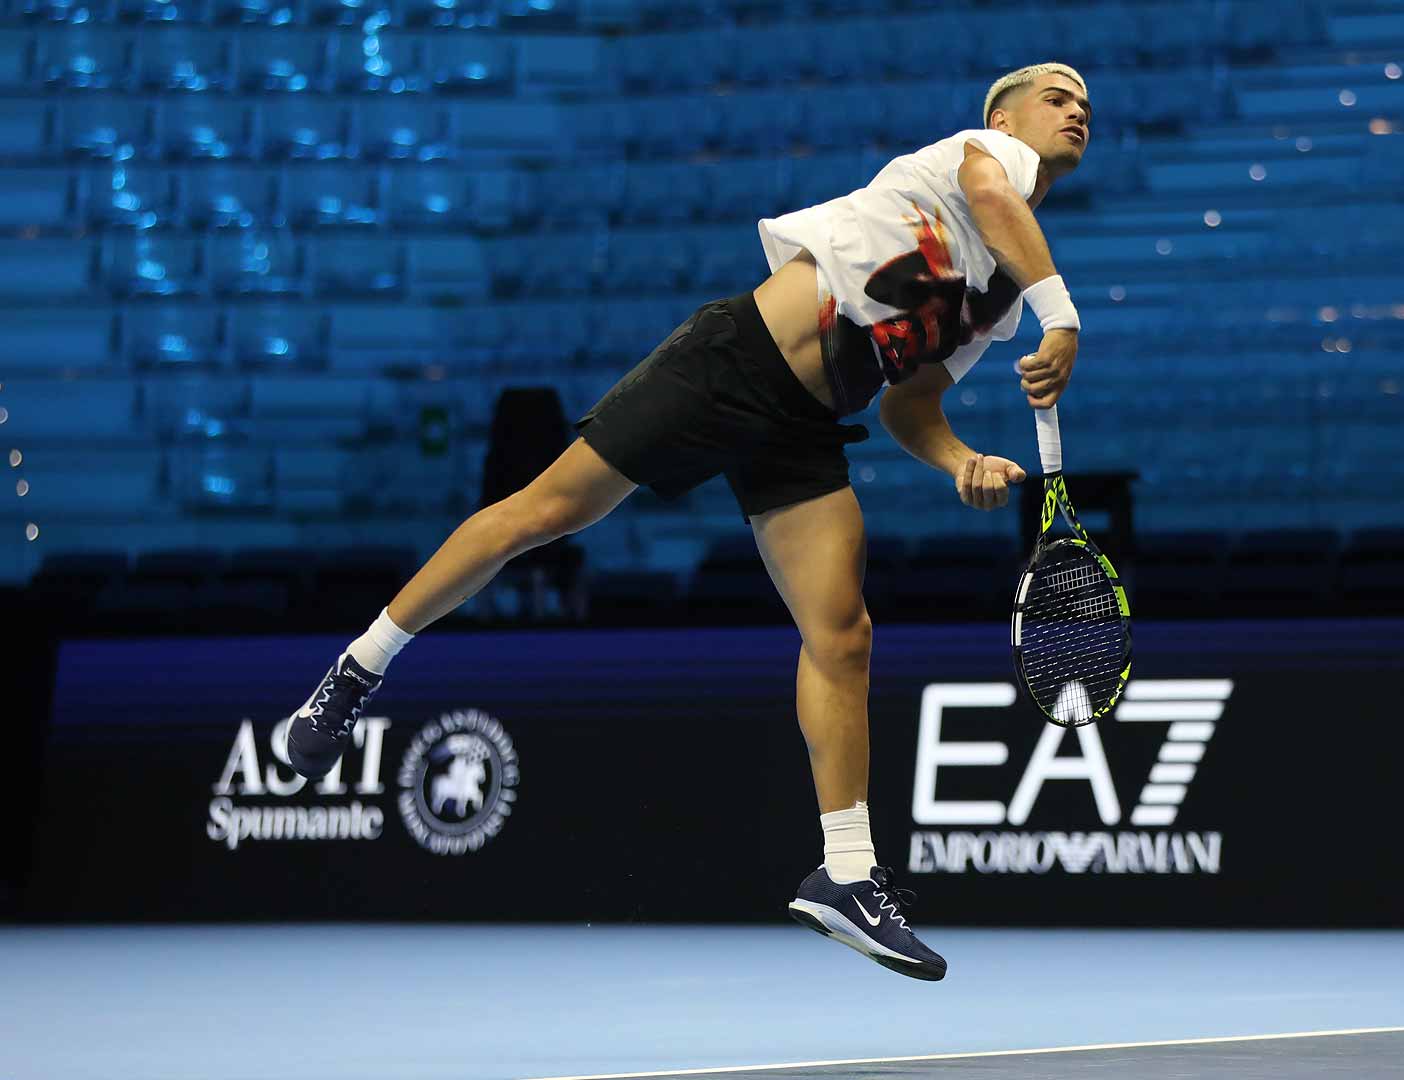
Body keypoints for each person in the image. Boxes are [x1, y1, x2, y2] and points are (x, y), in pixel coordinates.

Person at [282, 62, 1092, 982]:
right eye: (1057, 99)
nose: (1077, 115)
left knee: (844, 633)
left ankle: (847, 873)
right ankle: (355, 671)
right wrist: (1061, 316)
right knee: (542, 514)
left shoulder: (997, 287)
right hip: (733, 362)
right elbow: (993, 193)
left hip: (806, 424)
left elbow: (911, 404)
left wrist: (962, 462)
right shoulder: (982, 161)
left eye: (1086, 108)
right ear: (1002, 115)